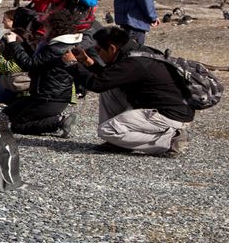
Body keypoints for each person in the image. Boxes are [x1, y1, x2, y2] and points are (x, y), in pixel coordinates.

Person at [62, 26, 191, 157]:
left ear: (112, 48)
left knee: (107, 131)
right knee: (109, 91)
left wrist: (72, 64)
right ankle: (118, 143)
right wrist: (87, 61)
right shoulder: (134, 52)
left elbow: (97, 84)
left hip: (170, 115)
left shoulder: (134, 62)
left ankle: (171, 141)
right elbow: (108, 79)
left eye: (98, 49)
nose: (97, 52)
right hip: (160, 107)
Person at [0, 7, 84, 136]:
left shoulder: (56, 48)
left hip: (50, 98)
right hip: (44, 95)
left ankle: (59, 121)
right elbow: (37, 60)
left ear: (55, 29)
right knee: (4, 116)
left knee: (18, 125)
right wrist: (22, 44)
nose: (44, 30)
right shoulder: (60, 44)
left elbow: (29, 64)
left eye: (47, 27)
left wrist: (13, 44)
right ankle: (51, 119)